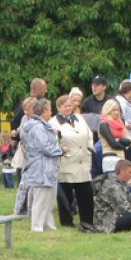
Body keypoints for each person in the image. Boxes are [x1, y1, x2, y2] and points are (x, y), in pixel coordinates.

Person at [50, 93, 95, 227]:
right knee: (66, 194)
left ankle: (87, 220)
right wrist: (62, 151)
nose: (69, 108)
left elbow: (89, 134)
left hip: (83, 160)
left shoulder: (80, 119)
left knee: (85, 192)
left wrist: (89, 149)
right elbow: (53, 141)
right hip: (67, 161)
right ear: (59, 107)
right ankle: (67, 222)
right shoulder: (54, 122)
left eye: (70, 105)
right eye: (65, 106)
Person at [22, 98, 64, 232]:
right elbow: (45, 147)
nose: (52, 112)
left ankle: (48, 225)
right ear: (44, 111)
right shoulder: (38, 127)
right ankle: (37, 226)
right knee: (40, 198)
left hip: (48, 167)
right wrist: (61, 151)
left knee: (49, 198)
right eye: (50, 109)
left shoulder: (45, 126)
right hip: (40, 167)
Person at [98, 99, 130, 173]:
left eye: (118, 110)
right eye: (114, 110)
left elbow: (129, 141)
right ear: (108, 110)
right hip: (110, 157)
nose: (116, 112)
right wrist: (124, 145)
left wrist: (118, 140)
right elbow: (113, 144)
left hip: (121, 157)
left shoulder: (121, 123)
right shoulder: (103, 124)